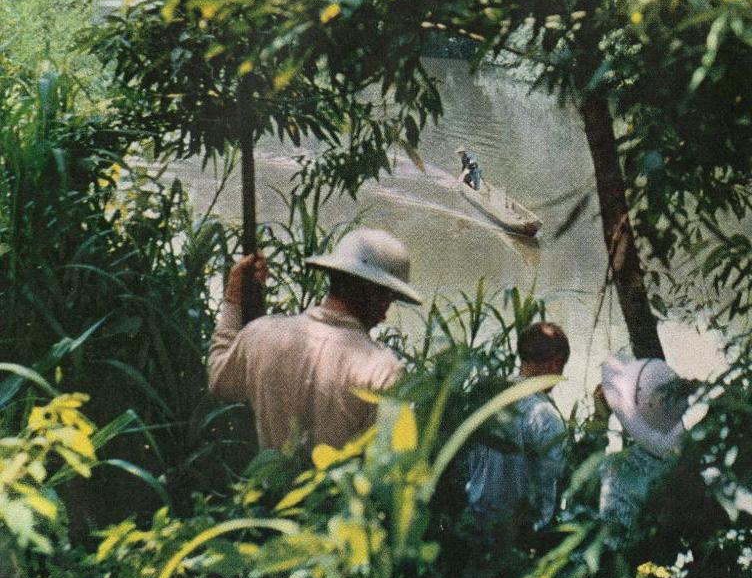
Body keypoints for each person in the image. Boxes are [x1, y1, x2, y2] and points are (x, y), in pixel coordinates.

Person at [208, 227, 422, 455]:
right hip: (337, 491)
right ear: (374, 295)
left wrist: (233, 299)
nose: (384, 314)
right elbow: (388, 470)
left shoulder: (260, 334)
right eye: (387, 299)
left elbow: (219, 381)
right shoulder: (382, 371)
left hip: (268, 489)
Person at [465, 322, 570, 538]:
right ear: (556, 364)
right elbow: (548, 490)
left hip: (473, 526)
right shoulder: (546, 417)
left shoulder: (487, 397)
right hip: (519, 537)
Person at [599, 353, 691, 531]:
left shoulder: (620, 468)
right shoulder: (696, 456)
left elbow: (613, 539)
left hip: (640, 555)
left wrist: (600, 423)